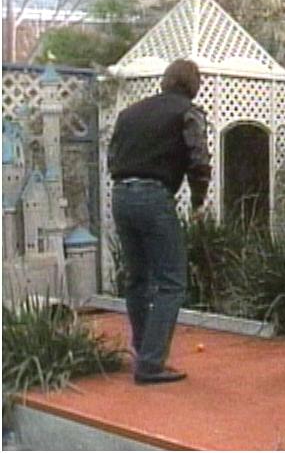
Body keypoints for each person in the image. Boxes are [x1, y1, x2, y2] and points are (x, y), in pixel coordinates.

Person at [108, 59, 211, 384]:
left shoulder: (129, 113)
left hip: (121, 195)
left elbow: (113, 157)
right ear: (194, 85)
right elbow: (198, 160)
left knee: (137, 279)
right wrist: (198, 200)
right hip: (154, 195)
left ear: (165, 81)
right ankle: (151, 363)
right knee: (171, 281)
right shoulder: (188, 113)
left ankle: (143, 351)